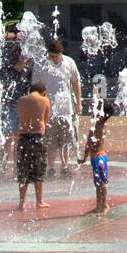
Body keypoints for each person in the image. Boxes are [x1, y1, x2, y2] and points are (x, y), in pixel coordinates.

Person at [33, 37, 82, 177]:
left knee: (65, 140)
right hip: (48, 110)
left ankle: (65, 166)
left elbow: (75, 82)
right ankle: (51, 168)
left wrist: (79, 103)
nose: (53, 59)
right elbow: (35, 87)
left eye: (56, 56)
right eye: (51, 56)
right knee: (50, 140)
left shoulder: (69, 62)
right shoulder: (41, 64)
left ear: (61, 53)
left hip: (66, 109)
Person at [0, 35, 32, 177]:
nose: (24, 57)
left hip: (23, 108)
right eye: (22, 54)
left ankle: (16, 169)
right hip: (9, 106)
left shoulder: (28, 72)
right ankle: (2, 169)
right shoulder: (7, 69)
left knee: (19, 140)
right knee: (6, 139)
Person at [16, 82, 50, 210]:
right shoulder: (44, 100)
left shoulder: (21, 100)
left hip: (23, 137)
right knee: (39, 169)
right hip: (37, 137)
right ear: (43, 92)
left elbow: (20, 118)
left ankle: (21, 202)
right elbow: (45, 120)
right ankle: (39, 201)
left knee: (23, 170)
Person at [78, 104, 115, 217]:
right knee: (98, 182)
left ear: (103, 116)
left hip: (99, 157)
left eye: (97, 111)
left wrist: (84, 157)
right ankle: (99, 205)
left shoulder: (99, 126)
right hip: (96, 157)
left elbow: (89, 143)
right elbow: (89, 143)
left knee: (101, 183)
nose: (93, 112)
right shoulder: (98, 125)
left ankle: (104, 205)